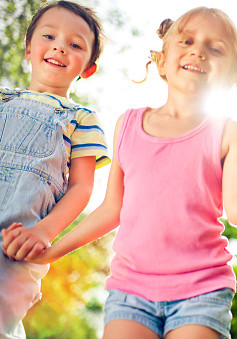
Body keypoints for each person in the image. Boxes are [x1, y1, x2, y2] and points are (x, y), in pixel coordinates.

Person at [16, 7, 237, 339]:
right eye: (186, 41)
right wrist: (51, 250)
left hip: (201, 290)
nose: (198, 52)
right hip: (129, 290)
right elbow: (112, 210)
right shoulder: (128, 124)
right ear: (162, 61)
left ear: (233, 75)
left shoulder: (229, 133)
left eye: (215, 49)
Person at [0, 1, 109, 338]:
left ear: (87, 68)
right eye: (50, 36)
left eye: (75, 45)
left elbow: (81, 188)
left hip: (17, 246)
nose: (60, 46)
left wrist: (44, 232)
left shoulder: (82, 120)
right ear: (29, 49)